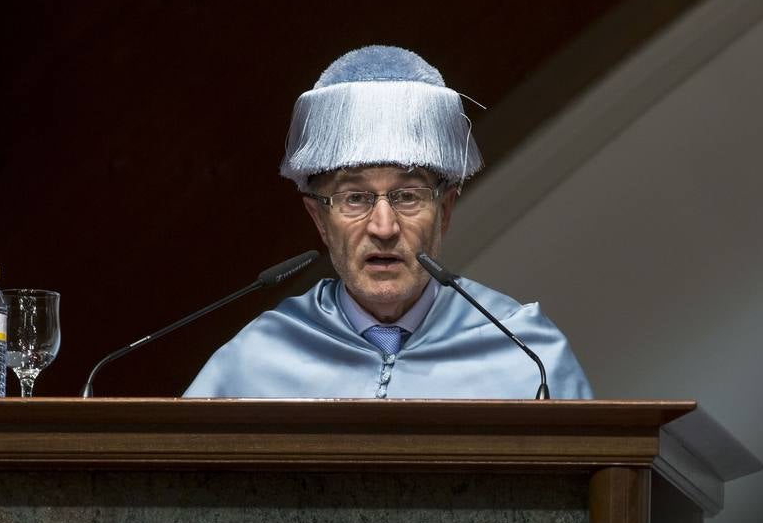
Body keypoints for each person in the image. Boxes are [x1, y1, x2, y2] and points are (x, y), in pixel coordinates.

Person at [183, 45, 592, 400]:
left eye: (407, 196)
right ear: (320, 220)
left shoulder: (524, 351)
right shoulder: (259, 357)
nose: (383, 227)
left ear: (445, 212)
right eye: (355, 198)